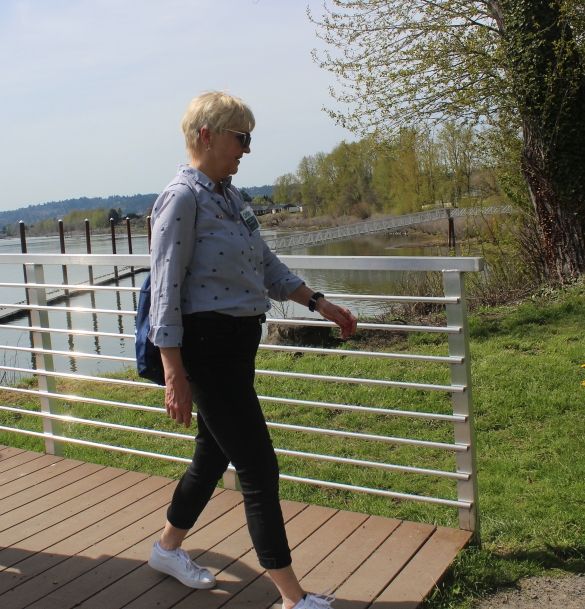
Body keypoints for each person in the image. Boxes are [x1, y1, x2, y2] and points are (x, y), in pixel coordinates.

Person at [146, 92, 358, 609]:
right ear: (208, 135)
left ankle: (166, 548)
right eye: (241, 137)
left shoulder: (231, 197)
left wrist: (319, 302)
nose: (247, 149)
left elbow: (265, 264)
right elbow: (164, 288)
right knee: (259, 470)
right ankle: (292, 598)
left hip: (239, 346)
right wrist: (174, 371)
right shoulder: (182, 198)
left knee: (212, 453)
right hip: (207, 348)